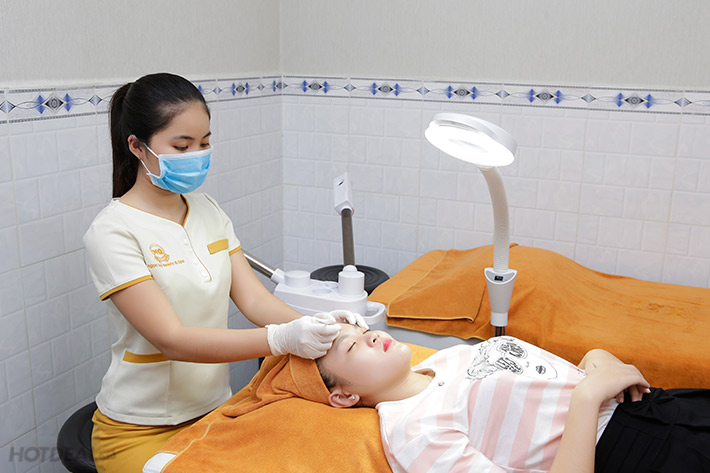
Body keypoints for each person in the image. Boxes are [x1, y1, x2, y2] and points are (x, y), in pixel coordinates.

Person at [83, 72, 365, 473]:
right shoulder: (113, 231)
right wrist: (283, 338)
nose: (197, 155)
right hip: (139, 430)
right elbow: (172, 340)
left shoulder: (208, 210)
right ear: (137, 146)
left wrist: (319, 326)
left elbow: (254, 300)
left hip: (216, 413)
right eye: (182, 146)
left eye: (204, 143)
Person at [316, 323, 710, 473]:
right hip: (645, 452)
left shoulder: (443, 360)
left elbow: (544, 387)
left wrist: (597, 358)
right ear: (344, 397)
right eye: (351, 347)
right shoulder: (415, 434)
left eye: (361, 329)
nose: (369, 336)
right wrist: (589, 396)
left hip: (665, 406)